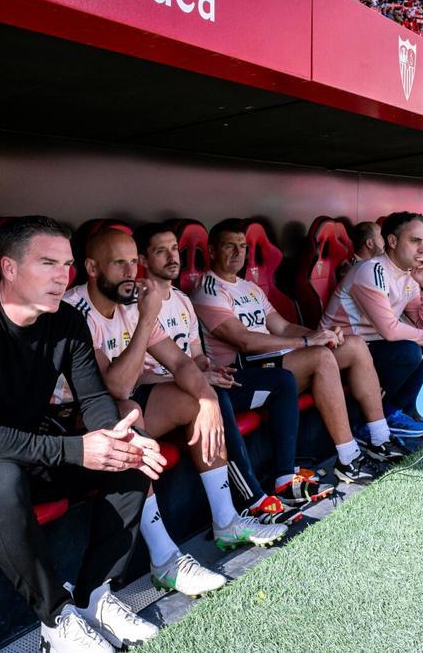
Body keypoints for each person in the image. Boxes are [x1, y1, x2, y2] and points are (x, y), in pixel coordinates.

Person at [0, 216, 163, 652]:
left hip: (24, 457)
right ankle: (56, 618)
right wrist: (77, 449)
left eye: (66, 264)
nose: (60, 276)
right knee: (3, 478)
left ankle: (94, 596)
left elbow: (94, 402)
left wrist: (120, 437)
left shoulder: (66, 321)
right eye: (47, 263)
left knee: (130, 459)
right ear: (8, 269)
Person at [64, 229, 289, 595]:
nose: (129, 271)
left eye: (133, 262)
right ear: (91, 267)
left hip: (120, 402)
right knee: (127, 411)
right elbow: (116, 386)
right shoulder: (77, 310)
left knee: (194, 398)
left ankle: (226, 520)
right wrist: (145, 318)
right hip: (71, 415)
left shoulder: (132, 302)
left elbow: (181, 363)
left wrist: (210, 402)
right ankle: (165, 559)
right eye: (118, 263)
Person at [133, 223, 331, 524]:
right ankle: (251, 499)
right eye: (161, 251)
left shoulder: (182, 300)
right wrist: (201, 380)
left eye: (174, 249)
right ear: (143, 260)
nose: (172, 257)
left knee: (282, 381)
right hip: (165, 396)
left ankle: (283, 479)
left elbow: (196, 358)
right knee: (214, 397)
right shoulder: (136, 304)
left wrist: (211, 369)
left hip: (194, 382)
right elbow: (139, 375)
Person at [191, 219, 401, 486]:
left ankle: (380, 438)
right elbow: (243, 341)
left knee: (354, 345)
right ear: (211, 251)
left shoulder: (250, 288)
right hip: (242, 371)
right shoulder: (207, 291)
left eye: (242, 246)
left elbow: (283, 326)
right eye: (229, 246)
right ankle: (349, 460)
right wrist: (307, 342)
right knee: (320, 357)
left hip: (275, 359)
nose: (237, 253)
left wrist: (320, 336)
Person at [321, 212, 423, 441]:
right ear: (393, 241)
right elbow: (390, 330)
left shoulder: (409, 274)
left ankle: (392, 412)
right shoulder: (372, 269)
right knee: (410, 351)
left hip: (372, 346)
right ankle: (379, 418)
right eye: (415, 241)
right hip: (340, 348)